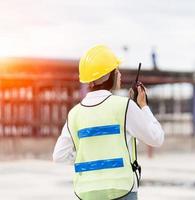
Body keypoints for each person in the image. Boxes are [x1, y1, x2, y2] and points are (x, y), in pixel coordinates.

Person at [53, 45, 164, 200]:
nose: (119, 74)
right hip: (122, 190)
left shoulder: (74, 114)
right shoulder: (124, 106)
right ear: (110, 75)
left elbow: (59, 155)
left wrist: (90, 156)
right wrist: (144, 106)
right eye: (116, 70)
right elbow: (156, 137)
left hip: (87, 192)